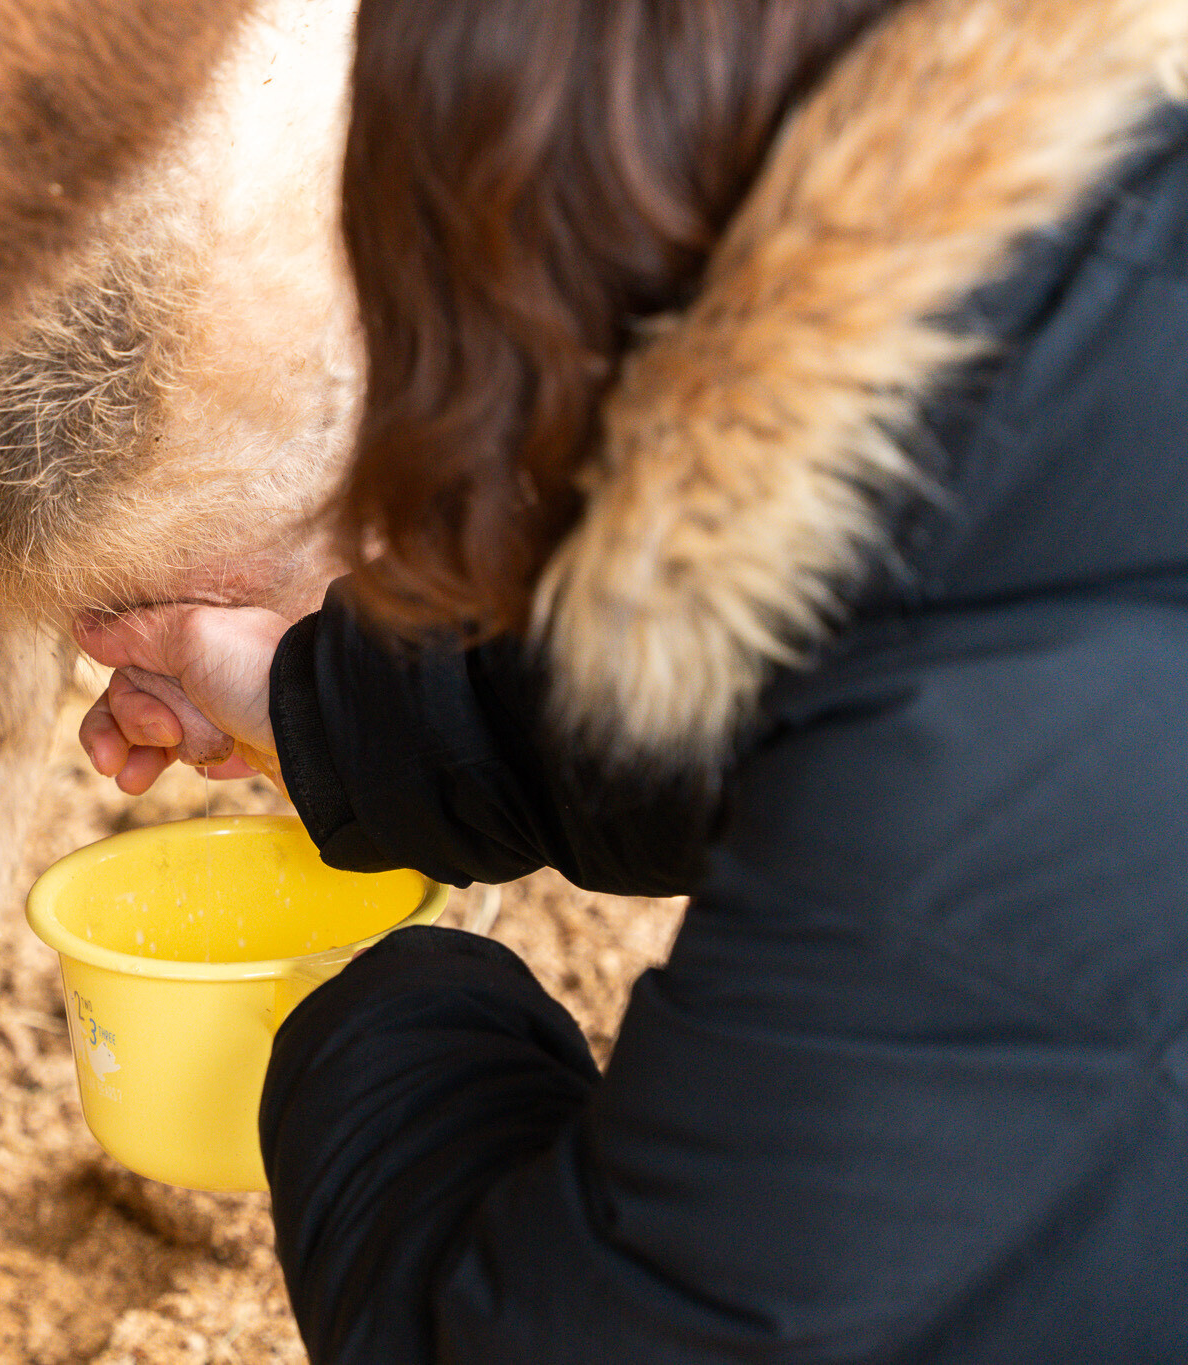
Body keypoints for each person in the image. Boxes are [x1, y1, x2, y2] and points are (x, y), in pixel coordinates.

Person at [74, 0, 1188, 1360]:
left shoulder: (948, 812)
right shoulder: (1090, 322)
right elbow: (848, 626)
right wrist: (321, 707)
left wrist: (389, 1021)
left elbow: (572, 1338)